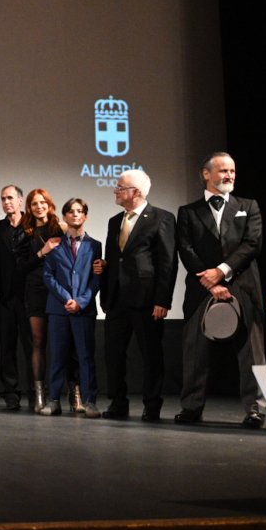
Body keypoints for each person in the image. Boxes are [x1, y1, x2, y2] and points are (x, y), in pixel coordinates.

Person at [174, 153, 266, 427]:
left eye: (232, 171)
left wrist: (223, 271)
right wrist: (212, 282)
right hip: (202, 288)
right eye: (223, 171)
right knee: (194, 351)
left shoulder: (248, 206)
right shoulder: (188, 212)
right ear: (206, 174)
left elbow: (252, 244)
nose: (229, 176)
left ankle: (255, 409)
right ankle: (191, 407)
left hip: (243, 285)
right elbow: (185, 249)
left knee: (252, 351)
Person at [99, 169, 177, 421]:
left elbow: (167, 263)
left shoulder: (161, 218)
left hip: (146, 300)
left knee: (151, 355)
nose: (116, 191)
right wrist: (103, 268)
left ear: (136, 192)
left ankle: (152, 405)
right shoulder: (114, 221)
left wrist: (162, 300)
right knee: (114, 354)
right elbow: (117, 258)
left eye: (120, 187)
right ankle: (117, 404)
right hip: (116, 299)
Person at [39, 198, 102, 418]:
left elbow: (96, 278)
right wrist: (67, 299)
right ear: (64, 216)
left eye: (80, 211)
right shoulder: (54, 244)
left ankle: (90, 401)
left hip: (83, 310)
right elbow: (47, 276)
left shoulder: (95, 246)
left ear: (85, 216)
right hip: (59, 309)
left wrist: (81, 301)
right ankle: (54, 400)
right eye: (71, 212)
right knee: (57, 356)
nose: (75, 215)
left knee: (85, 357)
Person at [16, 189, 64, 412]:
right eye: (34, 203)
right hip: (34, 289)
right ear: (29, 207)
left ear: (50, 204)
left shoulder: (61, 228)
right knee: (38, 341)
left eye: (43, 202)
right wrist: (42, 252)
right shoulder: (25, 232)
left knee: (64, 342)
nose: (39, 207)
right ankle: (39, 395)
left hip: (58, 290)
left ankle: (71, 394)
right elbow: (21, 267)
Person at [0, 185, 31, 411]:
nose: (7, 202)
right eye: (3, 198)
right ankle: (11, 394)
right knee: (7, 349)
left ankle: (36, 392)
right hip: (5, 298)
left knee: (32, 347)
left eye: (10, 198)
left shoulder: (34, 226)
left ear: (20, 200)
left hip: (29, 298)